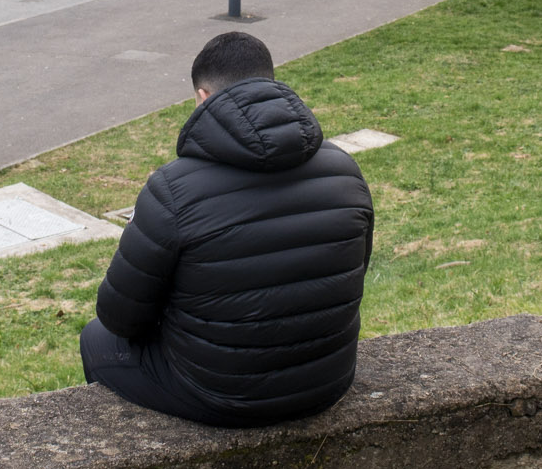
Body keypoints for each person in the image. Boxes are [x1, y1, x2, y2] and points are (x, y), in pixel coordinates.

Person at [81, 31, 375, 427]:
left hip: (221, 396)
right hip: (327, 383)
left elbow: (120, 318)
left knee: (95, 339)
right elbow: (354, 270)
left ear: (202, 97)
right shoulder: (344, 169)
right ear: (269, 82)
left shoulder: (172, 189)